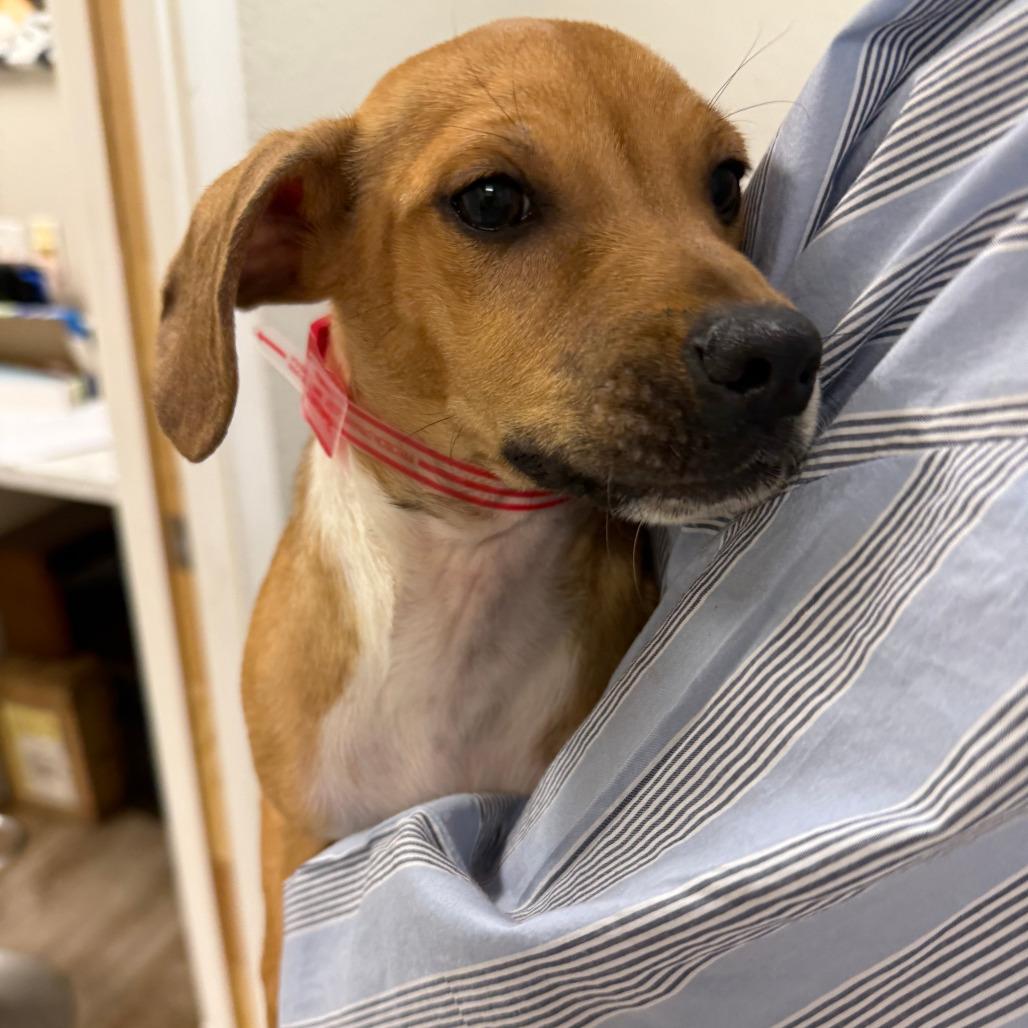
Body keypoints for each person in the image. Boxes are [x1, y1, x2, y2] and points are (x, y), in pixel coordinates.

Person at [278, 1, 1028, 1023]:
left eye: (720, 187)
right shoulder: (287, 685)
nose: (755, 319)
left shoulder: (660, 654)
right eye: (497, 202)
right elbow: (307, 870)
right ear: (295, 233)